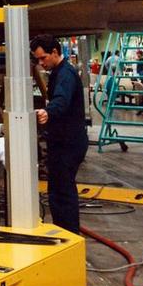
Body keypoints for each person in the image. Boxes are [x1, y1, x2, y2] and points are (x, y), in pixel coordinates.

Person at [30, 34, 88, 234]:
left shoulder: (65, 74)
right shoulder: (58, 72)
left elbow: (62, 100)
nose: (40, 63)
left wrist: (49, 112)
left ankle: (69, 235)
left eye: (43, 58)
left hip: (68, 144)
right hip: (63, 142)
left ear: (54, 52)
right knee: (57, 191)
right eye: (37, 59)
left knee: (63, 193)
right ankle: (63, 232)